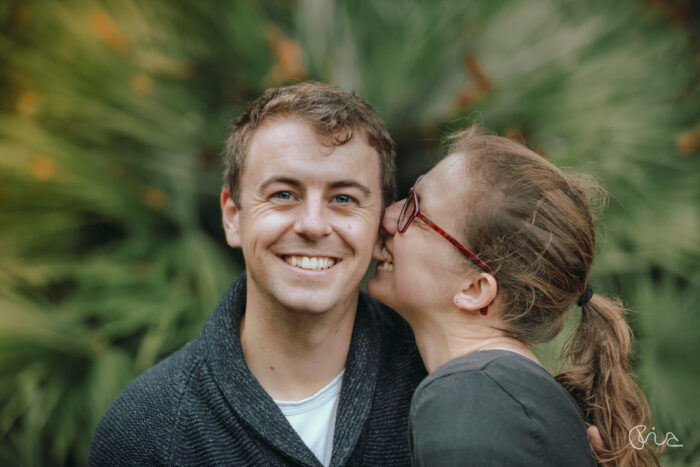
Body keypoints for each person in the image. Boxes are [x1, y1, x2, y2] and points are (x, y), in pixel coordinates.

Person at [88, 82, 427, 466]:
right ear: (233, 217)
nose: (313, 225)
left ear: (380, 225)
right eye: (284, 194)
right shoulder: (148, 429)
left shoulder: (433, 381)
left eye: (343, 198)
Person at [368, 126, 659, 466]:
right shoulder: (508, 397)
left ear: (474, 289)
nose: (387, 216)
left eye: (415, 210)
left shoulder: (470, 396)